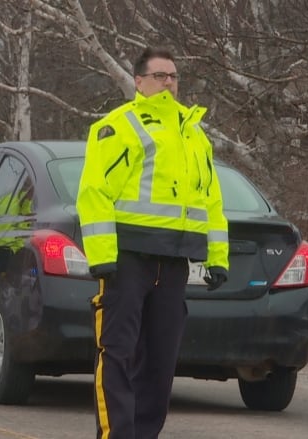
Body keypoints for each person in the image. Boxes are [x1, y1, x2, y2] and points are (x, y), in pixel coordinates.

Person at [76, 47, 229, 438]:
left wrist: (218, 257)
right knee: (117, 356)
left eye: (173, 76)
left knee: (160, 365)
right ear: (138, 81)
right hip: (127, 260)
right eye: (160, 76)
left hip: (174, 262)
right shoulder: (117, 126)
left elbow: (210, 200)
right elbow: (94, 193)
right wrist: (103, 256)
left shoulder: (193, 134)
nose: (168, 83)